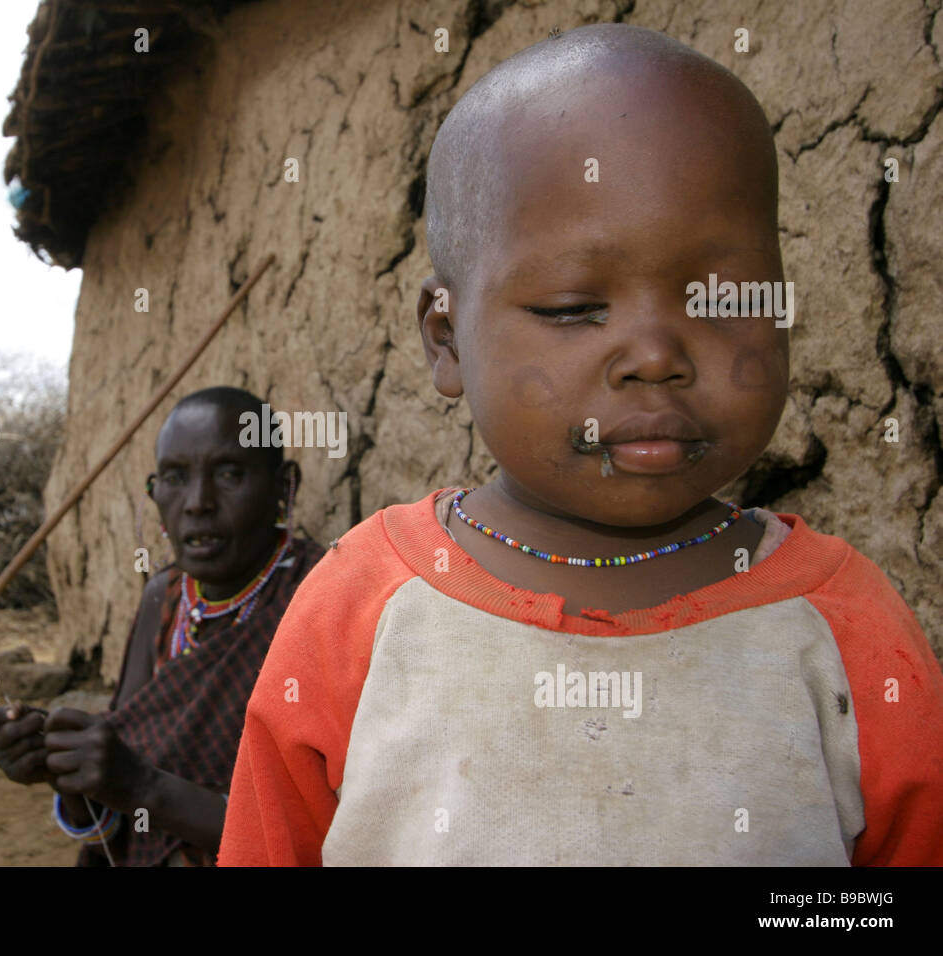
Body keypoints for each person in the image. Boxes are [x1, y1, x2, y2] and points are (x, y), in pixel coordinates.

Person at [218, 24, 943, 866]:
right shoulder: (362, 610)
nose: (656, 357)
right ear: (447, 340)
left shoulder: (846, 628)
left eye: (719, 299)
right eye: (571, 308)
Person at [0, 386, 324, 865]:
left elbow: (318, 836)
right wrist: (64, 761)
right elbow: (122, 784)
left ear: (283, 487)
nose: (198, 502)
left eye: (228, 474)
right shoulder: (164, 598)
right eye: (175, 478)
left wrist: (144, 786)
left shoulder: (323, 601)